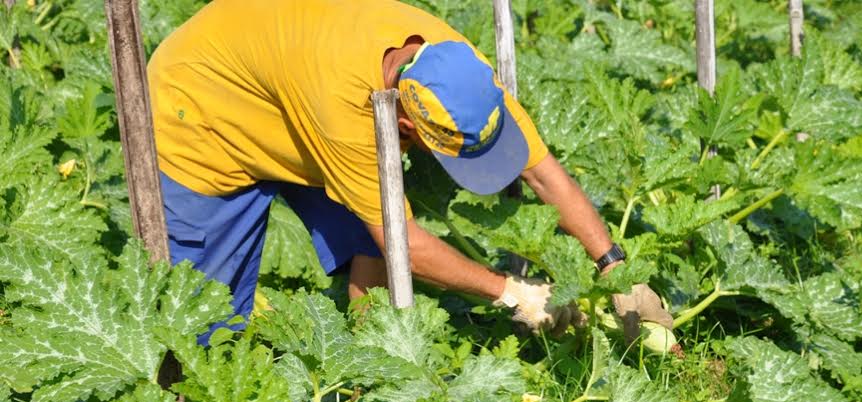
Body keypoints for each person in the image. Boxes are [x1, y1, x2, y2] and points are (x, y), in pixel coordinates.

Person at [148, 0, 672, 337]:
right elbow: (406, 244)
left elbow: (542, 171)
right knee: (202, 323)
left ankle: (361, 379)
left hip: (277, 73)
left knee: (368, 242)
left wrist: (613, 264)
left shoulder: (455, 67)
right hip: (200, 112)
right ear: (406, 129)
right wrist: (512, 292)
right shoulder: (346, 112)